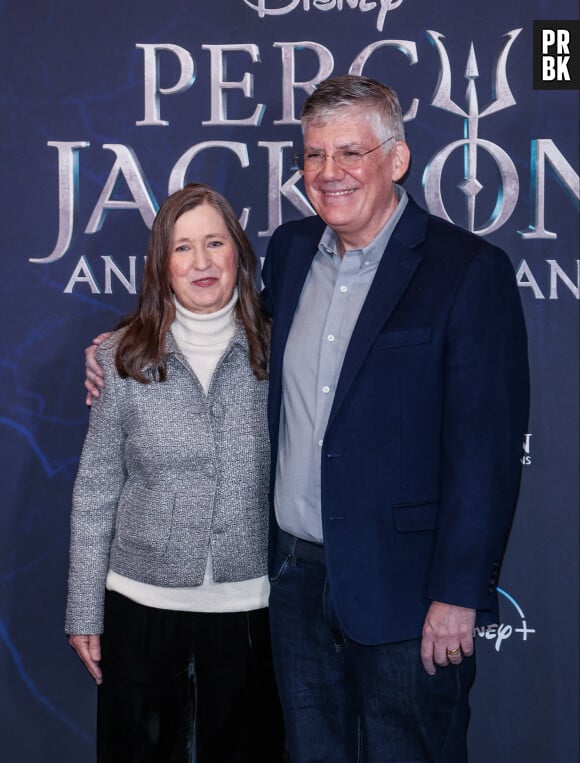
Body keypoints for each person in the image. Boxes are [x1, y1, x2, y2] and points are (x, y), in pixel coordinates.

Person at [85, 77, 529, 762]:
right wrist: (113, 348)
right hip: (292, 582)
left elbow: (487, 453)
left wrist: (457, 593)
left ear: (397, 158)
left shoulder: (467, 271)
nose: (329, 173)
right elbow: (216, 327)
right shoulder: (292, 251)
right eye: (315, 155)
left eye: (350, 152)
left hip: (405, 590)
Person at [67, 183, 285, 763]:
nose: (202, 261)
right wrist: (84, 610)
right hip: (140, 612)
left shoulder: (280, 351)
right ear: (162, 263)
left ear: (238, 252)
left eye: (215, 242)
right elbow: (96, 491)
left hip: (250, 615)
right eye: (183, 247)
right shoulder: (121, 356)